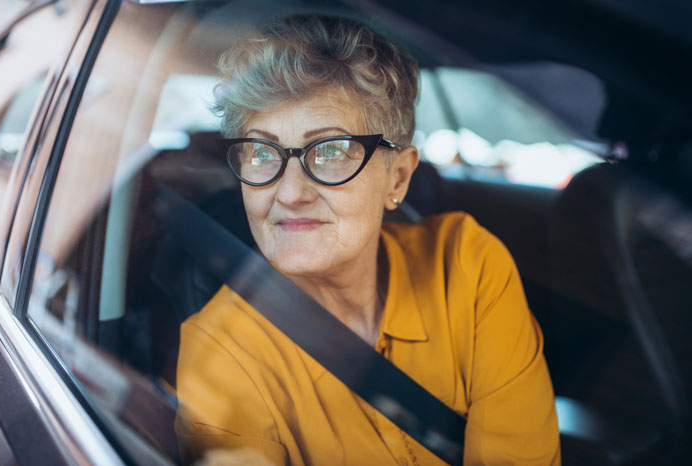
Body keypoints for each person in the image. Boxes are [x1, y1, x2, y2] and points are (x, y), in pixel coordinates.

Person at [175, 14, 560, 466]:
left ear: (397, 177)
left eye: (332, 151)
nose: (290, 193)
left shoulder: (465, 264)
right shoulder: (220, 355)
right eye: (262, 152)